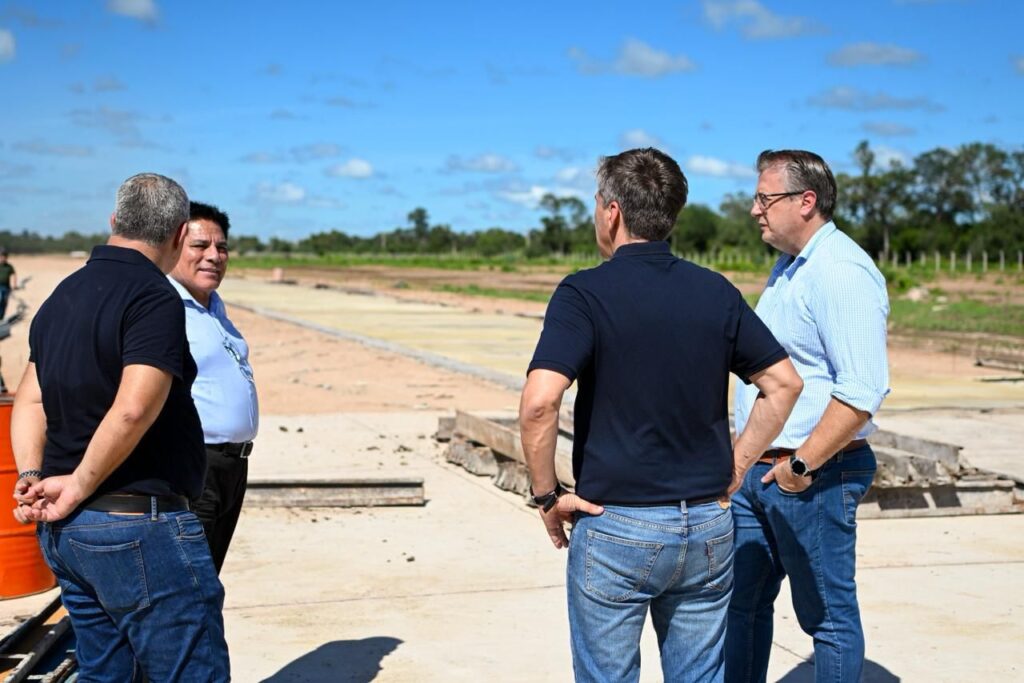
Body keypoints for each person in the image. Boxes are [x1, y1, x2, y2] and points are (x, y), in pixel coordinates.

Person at [519, 147, 803, 682]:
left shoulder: (584, 292)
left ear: (612, 212)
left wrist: (547, 495)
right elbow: (783, 383)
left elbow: (539, 403)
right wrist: (736, 467)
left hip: (616, 525)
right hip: (708, 527)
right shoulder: (715, 290)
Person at [11, 173, 230, 681]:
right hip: (138, 524)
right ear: (179, 235)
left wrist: (30, 474)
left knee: (105, 673)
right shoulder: (153, 298)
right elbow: (133, 409)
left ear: (114, 222)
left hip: (70, 533)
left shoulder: (61, 297)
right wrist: (81, 484)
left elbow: (30, 399)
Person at [726, 150, 890, 683]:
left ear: (806, 201)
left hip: (812, 476)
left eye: (764, 198)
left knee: (827, 618)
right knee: (742, 605)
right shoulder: (790, 268)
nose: (755, 210)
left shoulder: (841, 271)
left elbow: (863, 389)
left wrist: (800, 467)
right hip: (760, 475)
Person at [169, 201, 259, 573]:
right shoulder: (167, 307)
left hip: (232, 466)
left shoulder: (214, 309)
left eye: (221, 247)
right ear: (173, 246)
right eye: (199, 246)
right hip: (195, 466)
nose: (214, 256)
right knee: (190, 581)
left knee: (209, 578)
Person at [0, 247, 17, 321]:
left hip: (6, 287)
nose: (3, 258)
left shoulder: (9, 267)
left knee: (4, 302)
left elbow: (14, 275)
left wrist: (14, 284)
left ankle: (1, 317)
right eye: (1, 256)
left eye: (4, 256)